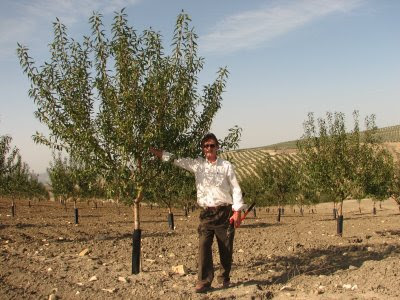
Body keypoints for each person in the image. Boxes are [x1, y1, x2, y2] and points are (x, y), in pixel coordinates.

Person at [150, 133, 246, 293]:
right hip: (206, 213)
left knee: (226, 248)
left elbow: (236, 188)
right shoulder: (197, 165)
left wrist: (236, 211)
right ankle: (204, 281)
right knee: (203, 246)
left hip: (224, 212)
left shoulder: (226, 166)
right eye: (206, 146)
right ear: (202, 149)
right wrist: (156, 152)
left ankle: (224, 278)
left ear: (217, 147)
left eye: (212, 145)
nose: (209, 148)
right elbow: (176, 160)